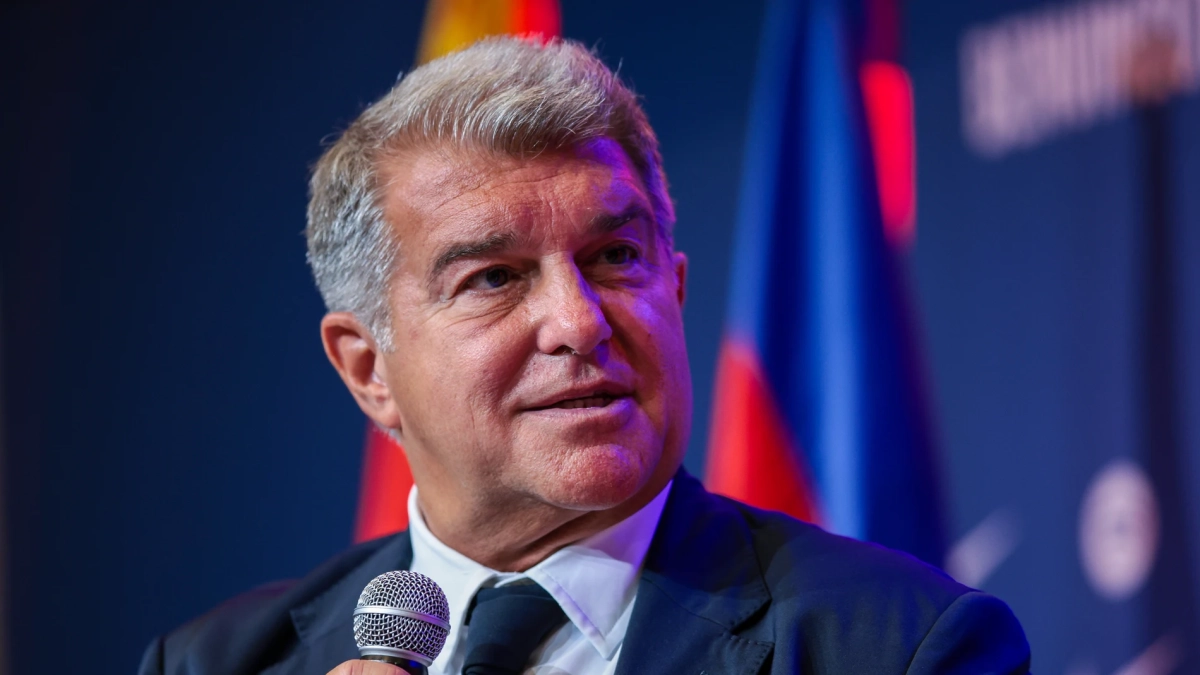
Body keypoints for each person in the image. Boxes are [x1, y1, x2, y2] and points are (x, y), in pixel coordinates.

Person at [139, 37, 1030, 675]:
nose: (579, 321)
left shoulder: (901, 647)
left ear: (675, 289)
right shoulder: (216, 661)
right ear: (369, 368)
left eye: (614, 258)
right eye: (493, 278)